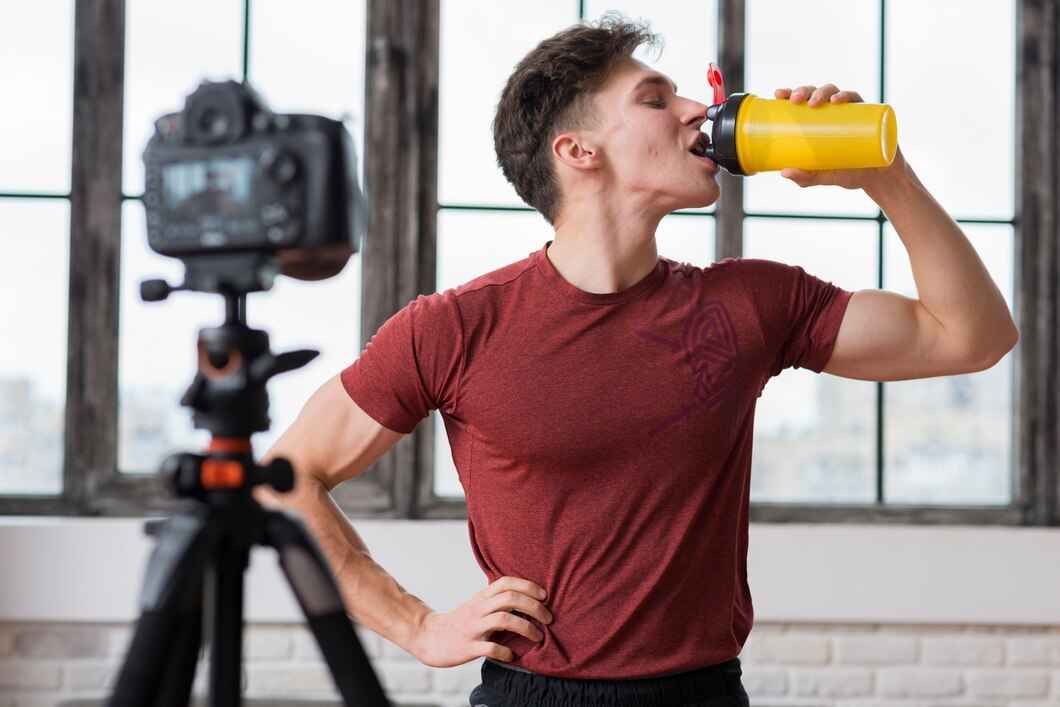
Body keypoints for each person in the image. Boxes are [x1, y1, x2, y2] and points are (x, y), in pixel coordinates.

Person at [256, 15, 1018, 707]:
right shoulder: (454, 327)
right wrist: (419, 626)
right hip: (530, 695)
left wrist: (884, 173)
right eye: (656, 99)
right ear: (578, 151)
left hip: (703, 696)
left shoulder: (751, 303)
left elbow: (970, 335)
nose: (696, 111)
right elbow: (288, 482)